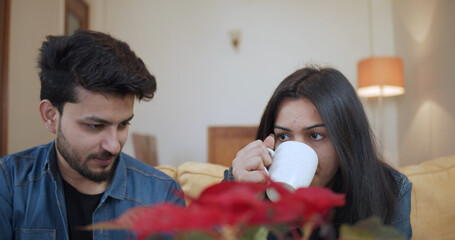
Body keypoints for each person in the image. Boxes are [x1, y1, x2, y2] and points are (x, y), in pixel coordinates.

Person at [0, 30, 185, 240]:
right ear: (51, 116)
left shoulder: (162, 194)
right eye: (95, 126)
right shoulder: (8, 185)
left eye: (123, 124)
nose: (114, 146)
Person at [224, 66, 412, 239]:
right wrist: (245, 211)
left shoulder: (390, 192)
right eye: (283, 136)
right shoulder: (243, 182)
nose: (298, 150)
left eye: (315, 135)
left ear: (346, 140)